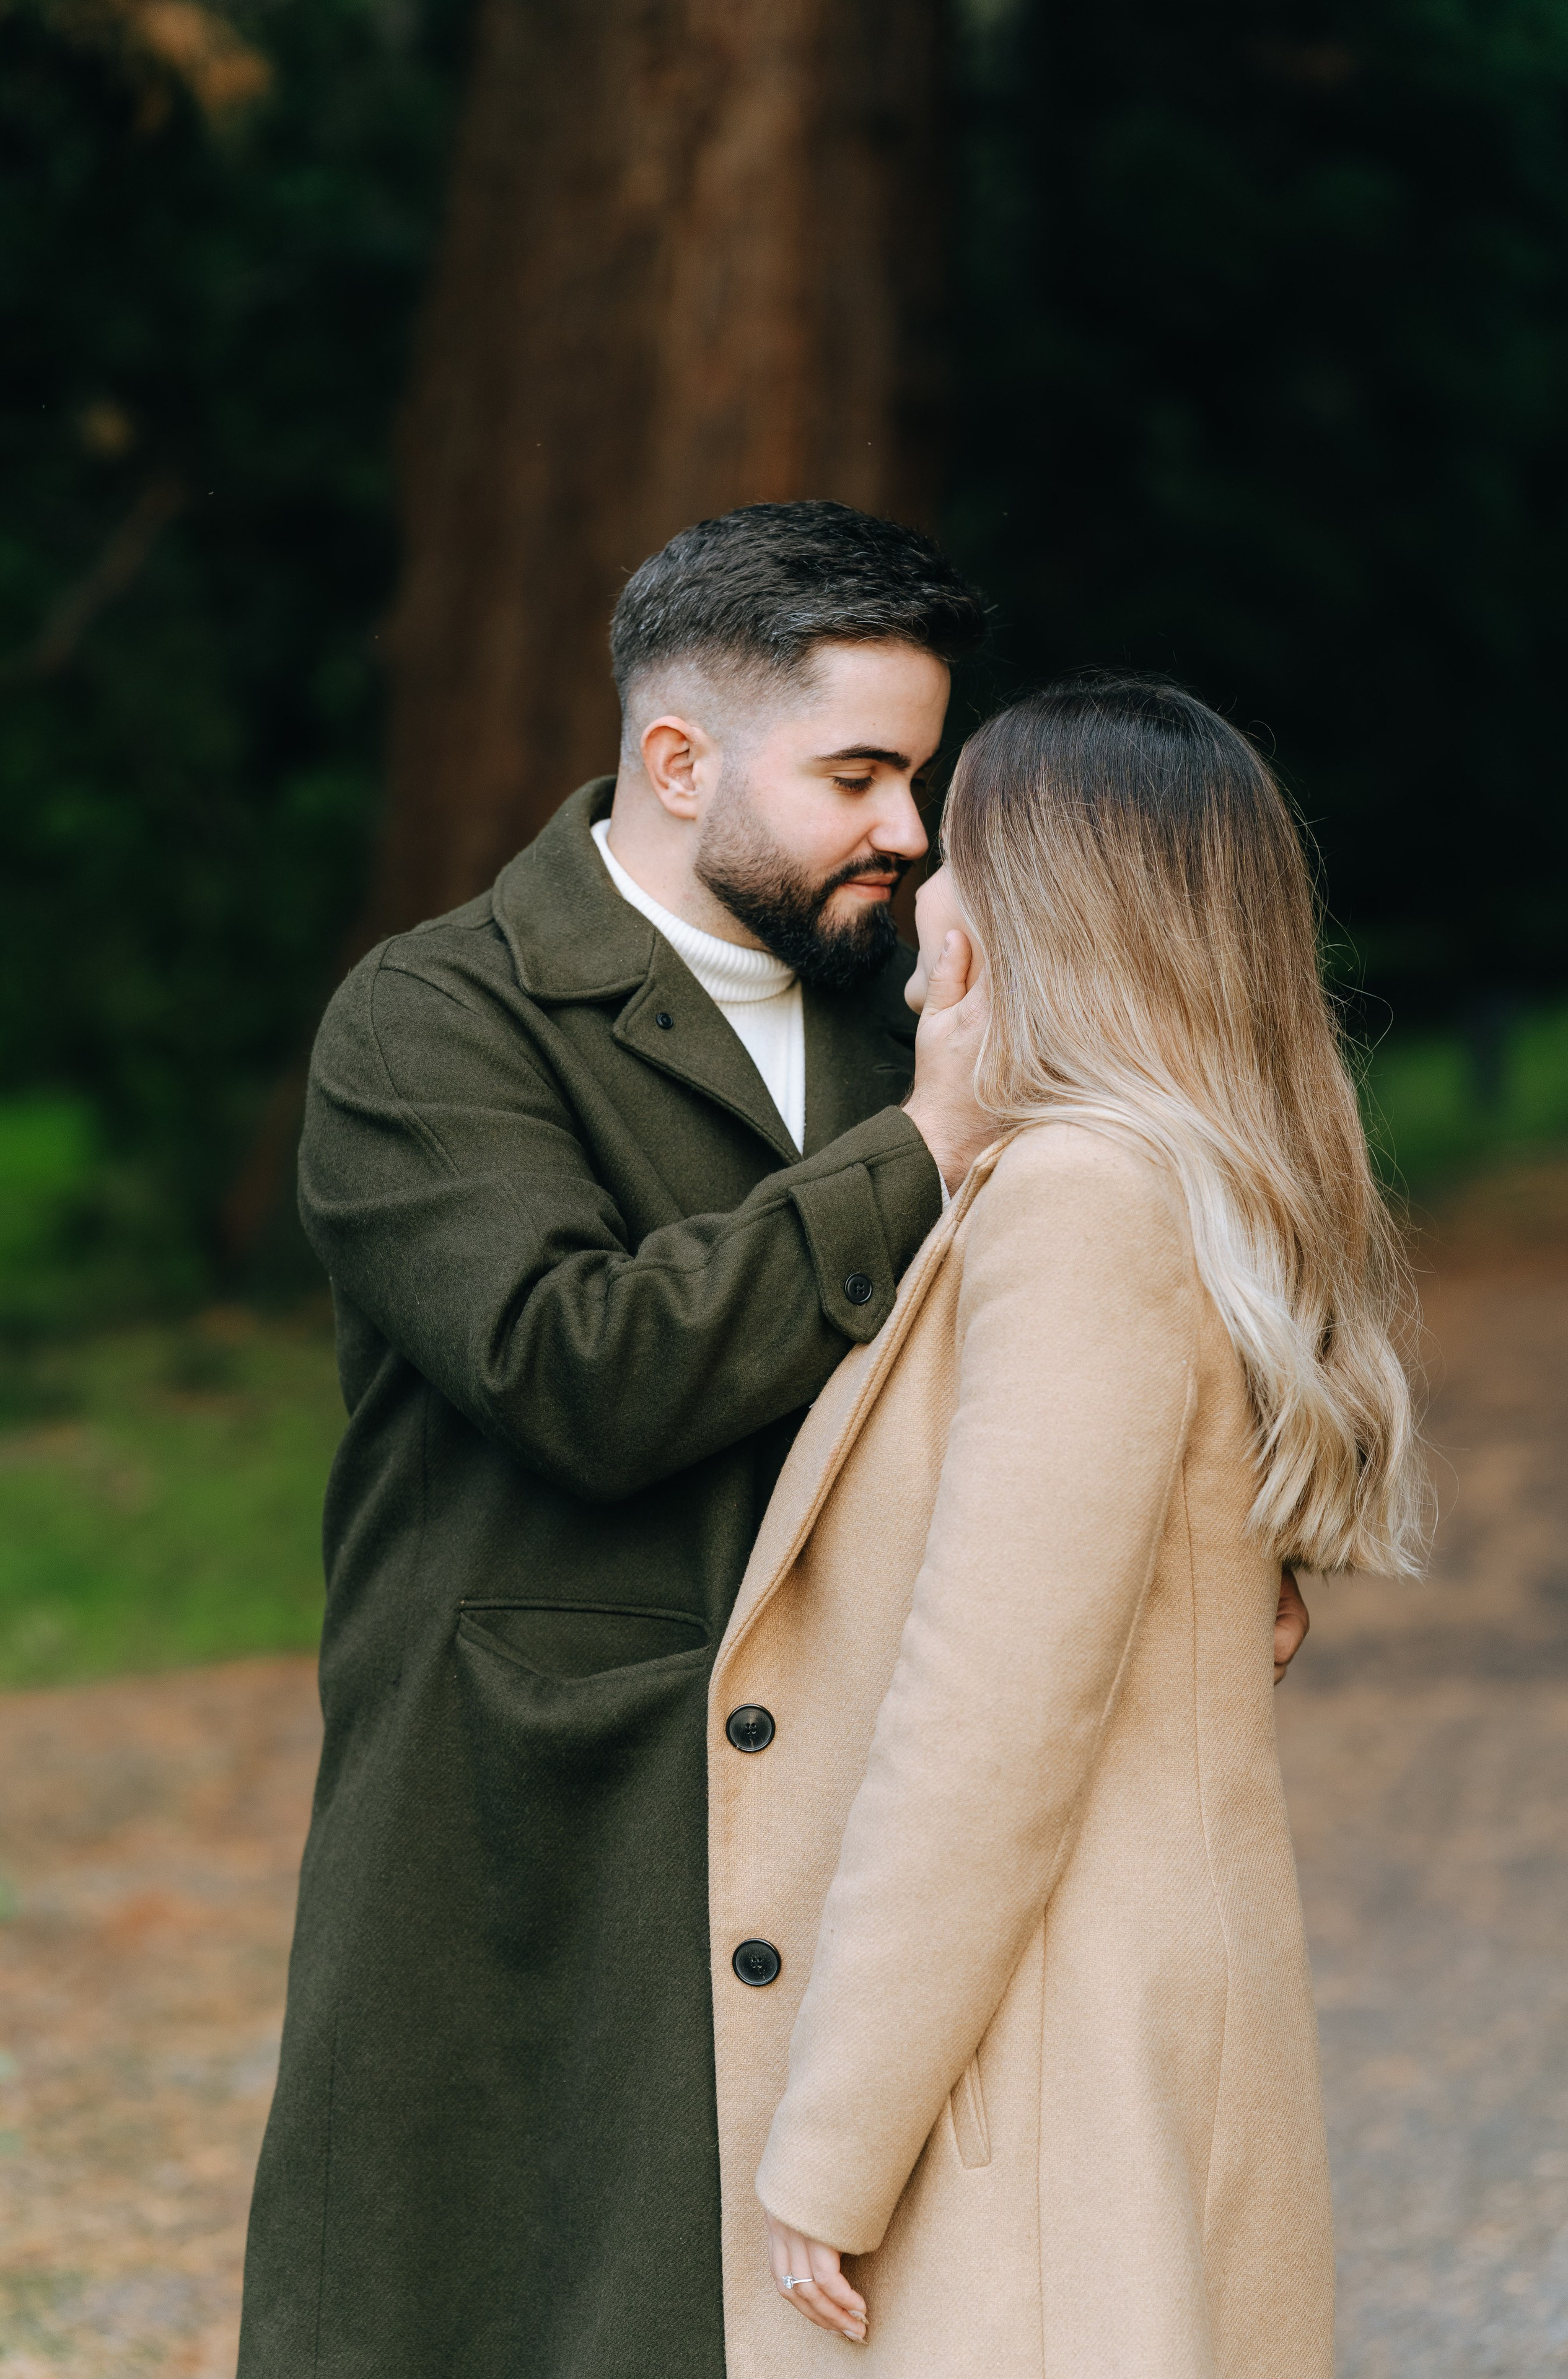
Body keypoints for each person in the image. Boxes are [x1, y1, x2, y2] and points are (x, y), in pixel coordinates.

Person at [237, 501, 1007, 2379]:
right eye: (857, 777)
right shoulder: (430, 1020)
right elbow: (573, 1365)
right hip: (539, 1817)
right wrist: (923, 1155)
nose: (911, 830)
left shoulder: (919, 1013)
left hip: (869, 1777)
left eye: (917, 776)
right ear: (678, 762)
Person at [709, 676, 1426, 2377]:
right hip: (1093, 2034)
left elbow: (989, 1719)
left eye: (958, 851)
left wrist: (834, 2137)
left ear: (1041, 907)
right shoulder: (1160, 1178)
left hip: (1038, 2075)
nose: (923, 885)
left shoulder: (1079, 1199)